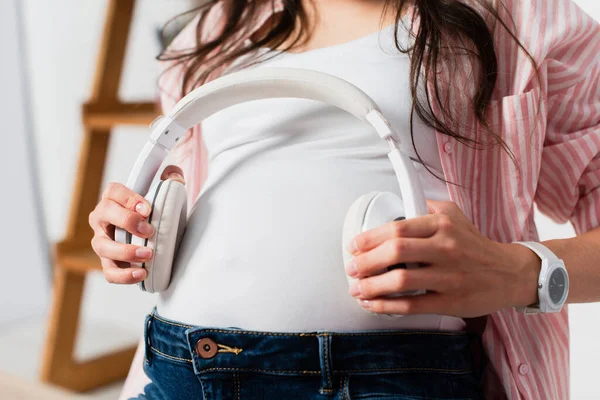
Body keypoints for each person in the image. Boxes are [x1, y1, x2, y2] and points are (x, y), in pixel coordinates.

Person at [87, 0, 600, 399]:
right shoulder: (211, 34)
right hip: (187, 362)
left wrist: (518, 272)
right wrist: (132, 229)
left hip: (389, 374)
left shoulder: (521, 19)